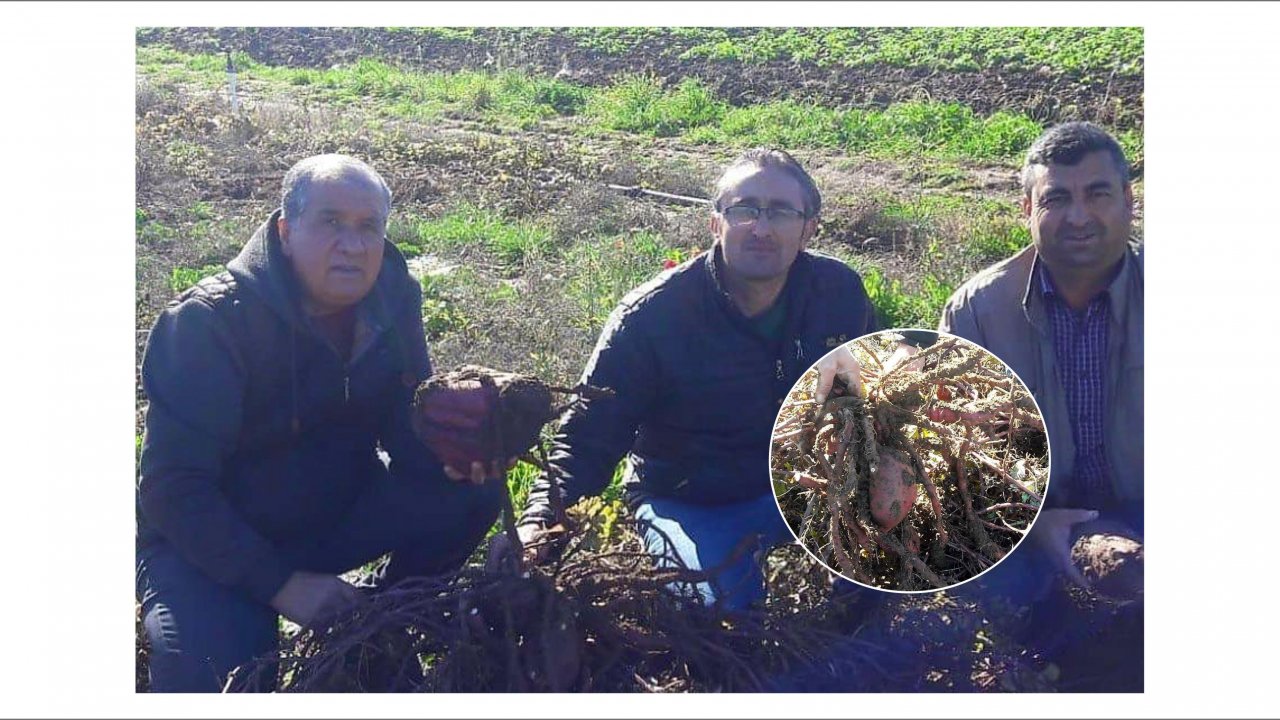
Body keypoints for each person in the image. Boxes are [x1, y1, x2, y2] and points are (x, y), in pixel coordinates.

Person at [135, 155, 502, 692]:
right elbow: (173, 490)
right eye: (331, 222)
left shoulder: (392, 296)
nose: (352, 245)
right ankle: (259, 621)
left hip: (328, 515)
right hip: (208, 545)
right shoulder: (207, 322)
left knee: (469, 492)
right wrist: (283, 586)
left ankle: (379, 623)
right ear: (286, 232)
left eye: (368, 227)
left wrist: (458, 452)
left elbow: (405, 423)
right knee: (218, 681)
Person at [488, 148, 880, 610]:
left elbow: (871, 393)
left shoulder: (838, 293)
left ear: (809, 228)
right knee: (720, 613)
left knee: (896, 549)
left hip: (802, 480)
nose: (761, 228)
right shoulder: (652, 316)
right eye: (744, 210)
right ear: (715, 222)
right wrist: (539, 523)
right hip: (689, 498)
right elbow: (588, 437)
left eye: (780, 212)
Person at [937, 122, 1143, 681]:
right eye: (1056, 199)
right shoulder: (977, 311)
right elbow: (955, 452)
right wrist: (1034, 523)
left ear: (1129, 199)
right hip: (1030, 519)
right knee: (1000, 600)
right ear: (1027, 208)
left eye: (1097, 194)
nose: (1079, 216)